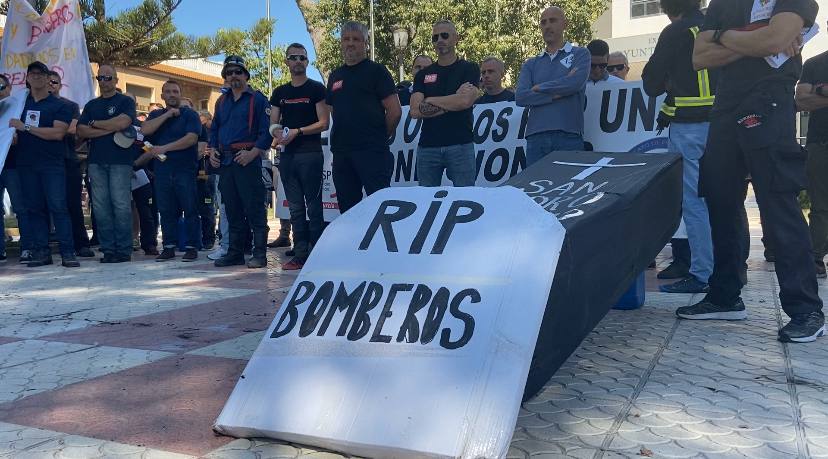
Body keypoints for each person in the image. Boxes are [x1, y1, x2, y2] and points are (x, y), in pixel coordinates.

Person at [687, 0, 824, 342]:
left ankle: (806, 309)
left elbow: (774, 43)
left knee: (778, 201)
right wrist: (754, 38)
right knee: (719, 197)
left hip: (769, 100)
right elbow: (700, 57)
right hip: (725, 104)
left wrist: (724, 38)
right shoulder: (721, 4)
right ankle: (724, 295)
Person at [642, 0, 717, 294]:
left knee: (694, 202)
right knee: (725, 202)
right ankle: (731, 271)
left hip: (690, 128)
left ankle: (702, 273)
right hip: (723, 125)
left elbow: (651, 83)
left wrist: (670, 80)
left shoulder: (676, 31)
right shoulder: (717, 25)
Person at [326, 21, 401, 213]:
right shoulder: (335, 76)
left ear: (365, 43)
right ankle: (352, 244)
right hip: (342, 154)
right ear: (341, 43)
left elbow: (394, 111)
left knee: (381, 207)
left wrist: (379, 137)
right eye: (346, 39)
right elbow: (335, 111)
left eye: (356, 39)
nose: (350, 43)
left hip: (372, 152)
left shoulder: (377, 72)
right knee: (348, 211)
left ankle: (383, 244)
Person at [270, 43, 330, 271]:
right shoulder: (280, 92)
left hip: (310, 155)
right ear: (286, 61)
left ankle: (317, 254)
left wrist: (298, 131)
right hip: (287, 157)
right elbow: (273, 123)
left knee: (314, 207)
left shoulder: (316, 88)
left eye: (302, 58)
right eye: (293, 57)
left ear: (307, 62)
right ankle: (300, 253)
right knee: (295, 209)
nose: (298, 61)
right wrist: (276, 132)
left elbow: (324, 122)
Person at [208, 55, 272, 269]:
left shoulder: (258, 99)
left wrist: (253, 153)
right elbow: (215, 128)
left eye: (237, 72)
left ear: (246, 75)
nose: (233, 76)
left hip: (247, 159)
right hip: (226, 161)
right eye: (229, 72)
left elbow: (266, 132)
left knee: (254, 207)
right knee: (231, 208)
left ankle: (259, 254)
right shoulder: (221, 101)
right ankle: (235, 252)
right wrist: (213, 150)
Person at [11, 61, 77, 267]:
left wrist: (26, 127)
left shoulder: (60, 106)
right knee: (34, 209)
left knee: (58, 207)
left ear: (49, 78)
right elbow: (11, 132)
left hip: (52, 165)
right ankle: (42, 252)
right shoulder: (19, 105)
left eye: (41, 74)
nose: (37, 77)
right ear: (27, 78)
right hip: (26, 165)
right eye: (33, 73)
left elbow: (58, 133)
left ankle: (68, 253)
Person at [77, 64, 138, 263]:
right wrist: (109, 127)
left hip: (120, 161)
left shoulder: (125, 101)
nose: (104, 82)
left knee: (120, 205)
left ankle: (123, 249)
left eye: (108, 78)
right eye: (100, 78)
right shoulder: (91, 105)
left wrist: (95, 123)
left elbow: (123, 123)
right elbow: (81, 131)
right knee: (101, 207)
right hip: (96, 162)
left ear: (116, 80)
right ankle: (108, 249)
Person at [515, 6, 590, 166]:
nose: (547, 26)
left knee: (569, 189)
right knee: (534, 190)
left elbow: (575, 84)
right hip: (536, 137)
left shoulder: (580, 54)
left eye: (553, 20)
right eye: (543, 22)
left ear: (565, 24)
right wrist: (556, 93)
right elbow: (521, 97)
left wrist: (538, 87)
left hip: (568, 135)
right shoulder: (531, 63)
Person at [410, 20, 480, 187]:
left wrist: (430, 100)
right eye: (435, 37)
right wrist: (453, 99)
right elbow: (414, 111)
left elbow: (465, 101)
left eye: (444, 35)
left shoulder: (469, 68)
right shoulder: (423, 75)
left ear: (455, 38)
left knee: (465, 199)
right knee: (426, 202)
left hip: (461, 145)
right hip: (428, 147)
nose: (439, 40)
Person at [141, 80, 202, 262]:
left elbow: (191, 139)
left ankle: (192, 247)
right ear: (162, 96)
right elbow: (145, 130)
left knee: (190, 208)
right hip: (162, 171)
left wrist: (165, 148)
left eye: (175, 91)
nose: (172, 94)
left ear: (180, 94)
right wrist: (166, 115)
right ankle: (168, 246)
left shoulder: (190, 115)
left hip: (184, 169)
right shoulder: (156, 115)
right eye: (168, 92)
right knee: (166, 209)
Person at [48, 70, 95, 258]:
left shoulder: (70, 106)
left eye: (55, 81)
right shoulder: (29, 105)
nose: (51, 84)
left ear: (60, 85)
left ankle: (81, 243)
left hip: (67, 160)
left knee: (73, 204)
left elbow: (75, 130)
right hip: (41, 162)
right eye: (48, 81)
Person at [796, 33, 828, 279]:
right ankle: (815, 257)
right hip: (820, 143)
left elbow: (811, 96)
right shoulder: (815, 64)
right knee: (820, 205)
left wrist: (822, 91)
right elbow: (802, 100)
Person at [0, 73, 28, 263]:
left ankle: (27, 246)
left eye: (1, 87)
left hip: (13, 166)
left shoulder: (19, 108)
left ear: (9, 88)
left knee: (21, 207)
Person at [196, 109, 217, 250]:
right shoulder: (199, 131)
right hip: (199, 173)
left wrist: (209, 151)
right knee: (202, 207)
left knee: (209, 207)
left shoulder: (215, 130)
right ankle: (202, 237)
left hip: (211, 172)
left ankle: (209, 238)